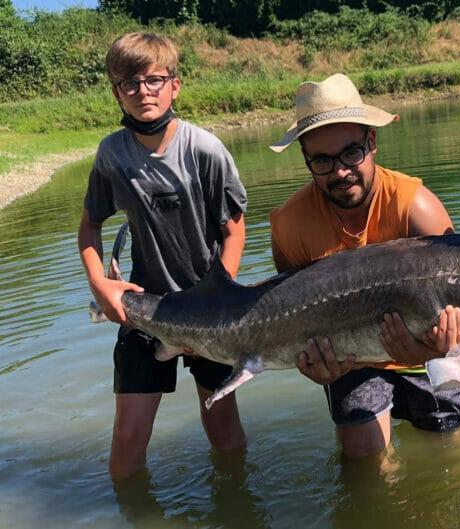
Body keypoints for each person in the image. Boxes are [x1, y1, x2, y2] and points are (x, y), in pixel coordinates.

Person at [269, 73, 460, 458]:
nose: (341, 172)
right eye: (323, 161)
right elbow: (290, 320)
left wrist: (435, 350)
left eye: (351, 153)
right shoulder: (289, 224)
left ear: (372, 142)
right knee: (363, 463)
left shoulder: (417, 208)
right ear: (306, 159)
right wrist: (313, 367)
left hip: (429, 355)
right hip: (351, 362)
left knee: (450, 458)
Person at [77, 32, 248, 480]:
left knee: (222, 428)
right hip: (143, 307)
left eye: (154, 80)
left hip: (209, 308)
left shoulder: (204, 149)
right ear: (116, 92)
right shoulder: (112, 154)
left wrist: (216, 297)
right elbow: (89, 226)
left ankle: (235, 506)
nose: (143, 92)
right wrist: (101, 286)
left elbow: (234, 231)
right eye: (129, 83)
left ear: (175, 85)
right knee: (128, 436)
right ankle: (130, 512)